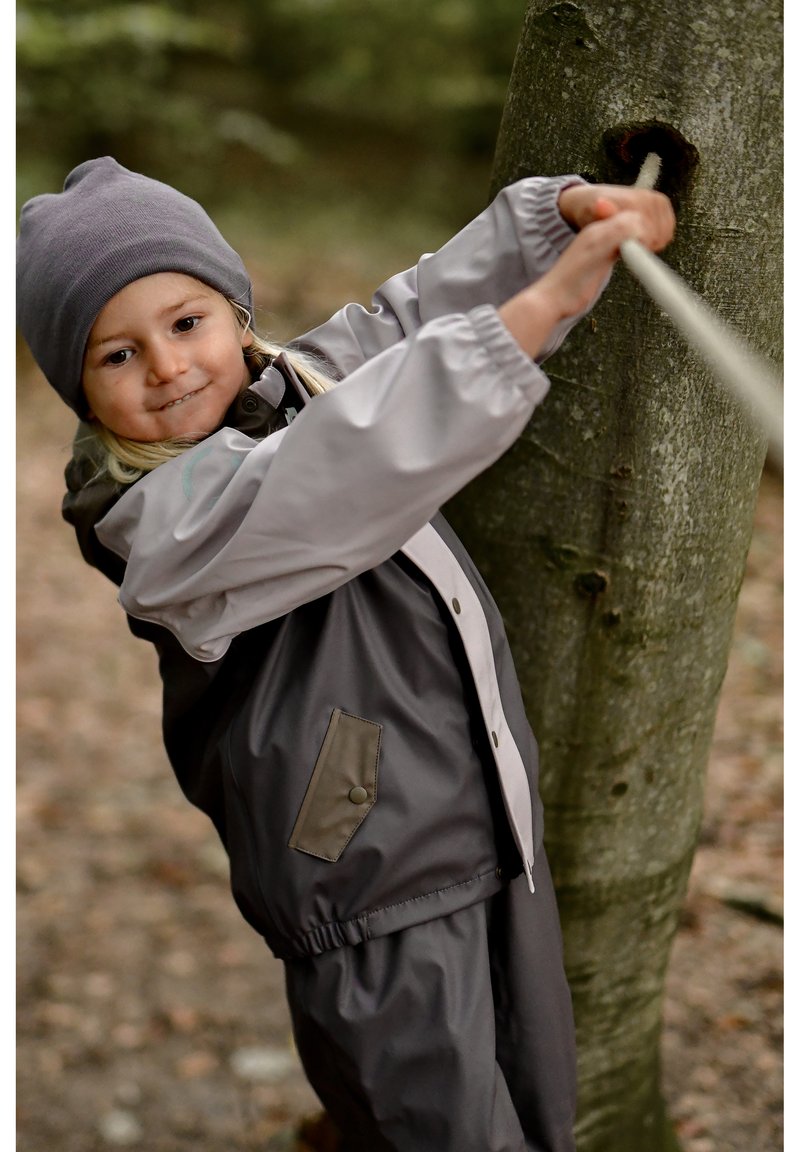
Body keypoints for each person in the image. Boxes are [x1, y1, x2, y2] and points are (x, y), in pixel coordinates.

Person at [16, 156, 674, 1152]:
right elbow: (339, 468)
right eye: (117, 356)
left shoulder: (292, 383)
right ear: (80, 390)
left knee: (533, 1103)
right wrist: (534, 315)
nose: (166, 367)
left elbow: (407, 320)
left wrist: (548, 221)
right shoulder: (159, 522)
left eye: (186, 323)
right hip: (364, 879)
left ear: (237, 316)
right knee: (436, 1125)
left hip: (472, 823)